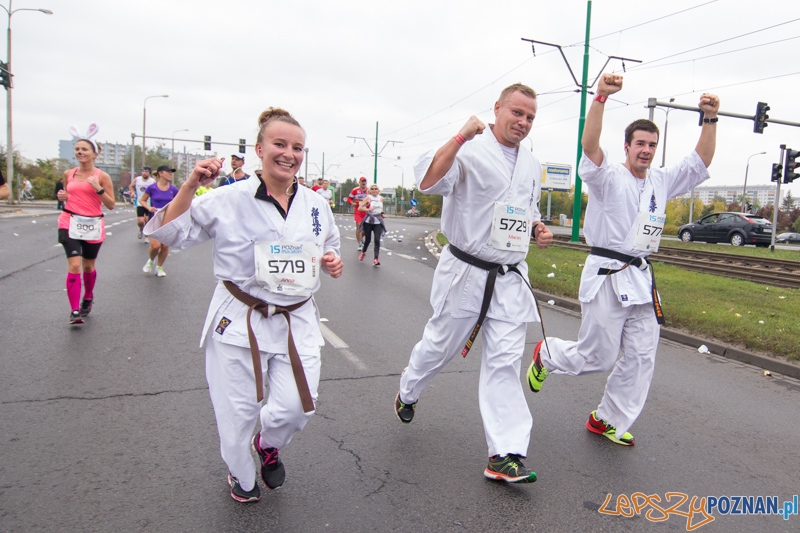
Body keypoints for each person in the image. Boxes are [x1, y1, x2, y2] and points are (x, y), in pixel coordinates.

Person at [143, 107, 343, 504]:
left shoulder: (316, 204)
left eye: (298, 147)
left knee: (297, 406)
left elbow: (329, 243)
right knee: (236, 412)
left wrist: (332, 260)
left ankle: (268, 442)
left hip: (296, 317)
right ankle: (241, 473)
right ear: (259, 149)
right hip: (239, 319)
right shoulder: (227, 198)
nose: (289, 153)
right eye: (280, 144)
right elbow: (170, 233)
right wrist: (190, 186)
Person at [526, 75, 719, 446]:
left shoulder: (662, 181)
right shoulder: (606, 177)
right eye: (640, 144)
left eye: (652, 145)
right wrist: (600, 97)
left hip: (641, 279)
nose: (646, 150)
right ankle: (547, 354)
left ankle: (606, 419)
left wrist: (710, 118)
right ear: (627, 146)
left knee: (642, 356)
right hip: (606, 273)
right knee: (597, 356)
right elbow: (589, 144)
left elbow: (700, 161)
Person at [394, 83, 553, 483]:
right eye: (517, 113)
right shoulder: (470, 149)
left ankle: (505, 453)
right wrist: (461, 135)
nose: (523, 122)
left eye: (530, 117)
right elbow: (428, 181)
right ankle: (408, 390)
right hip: (466, 271)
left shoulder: (532, 164)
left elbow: (526, 207)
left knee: (503, 363)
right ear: (497, 108)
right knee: (438, 347)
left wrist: (537, 227)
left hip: (510, 278)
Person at [56, 137, 115, 324]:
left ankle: (88, 297)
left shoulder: (102, 176)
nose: (80, 152)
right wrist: (63, 196)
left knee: (88, 266)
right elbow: (69, 194)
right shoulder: (69, 173)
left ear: (94, 154)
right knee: (74, 266)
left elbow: (111, 204)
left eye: (84, 149)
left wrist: (98, 189)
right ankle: (74, 310)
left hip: (92, 225)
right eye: (77, 149)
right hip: (69, 221)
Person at [139, 166, 179, 277]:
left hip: (167, 221)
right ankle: (151, 261)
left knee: (165, 246)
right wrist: (149, 208)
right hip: (154, 220)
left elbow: (179, 202)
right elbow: (142, 200)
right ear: (161, 173)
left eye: (171, 172)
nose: (170, 174)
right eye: (168, 172)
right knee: (156, 246)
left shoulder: (173, 190)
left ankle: (159, 267)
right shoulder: (152, 188)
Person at [358, 184, 386, 266]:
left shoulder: (381, 198)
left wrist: (382, 214)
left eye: (376, 189)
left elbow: (380, 209)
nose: (374, 190)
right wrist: (368, 209)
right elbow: (360, 208)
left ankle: (376, 259)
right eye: (372, 189)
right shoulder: (368, 198)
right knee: (368, 240)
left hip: (378, 221)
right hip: (369, 221)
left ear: (378, 190)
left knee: (377, 239)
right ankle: (363, 252)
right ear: (370, 191)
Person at [129, 166, 155, 239]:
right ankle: (141, 229)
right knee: (140, 221)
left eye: (146, 171)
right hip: (139, 203)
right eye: (143, 171)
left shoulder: (152, 181)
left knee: (147, 220)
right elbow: (131, 186)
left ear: (149, 173)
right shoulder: (137, 179)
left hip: (149, 203)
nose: (144, 173)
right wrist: (132, 192)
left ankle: (146, 232)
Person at [347, 177, 369, 251]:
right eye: (362, 181)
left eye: (365, 182)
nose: (363, 183)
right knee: (359, 226)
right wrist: (351, 203)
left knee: (366, 229)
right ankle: (360, 243)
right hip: (358, 210)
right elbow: (349, 198)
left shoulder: (368, 190)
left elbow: (372, 198)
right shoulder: (355, 190)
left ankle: (361, 237)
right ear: (359, 182)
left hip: (366, 211)